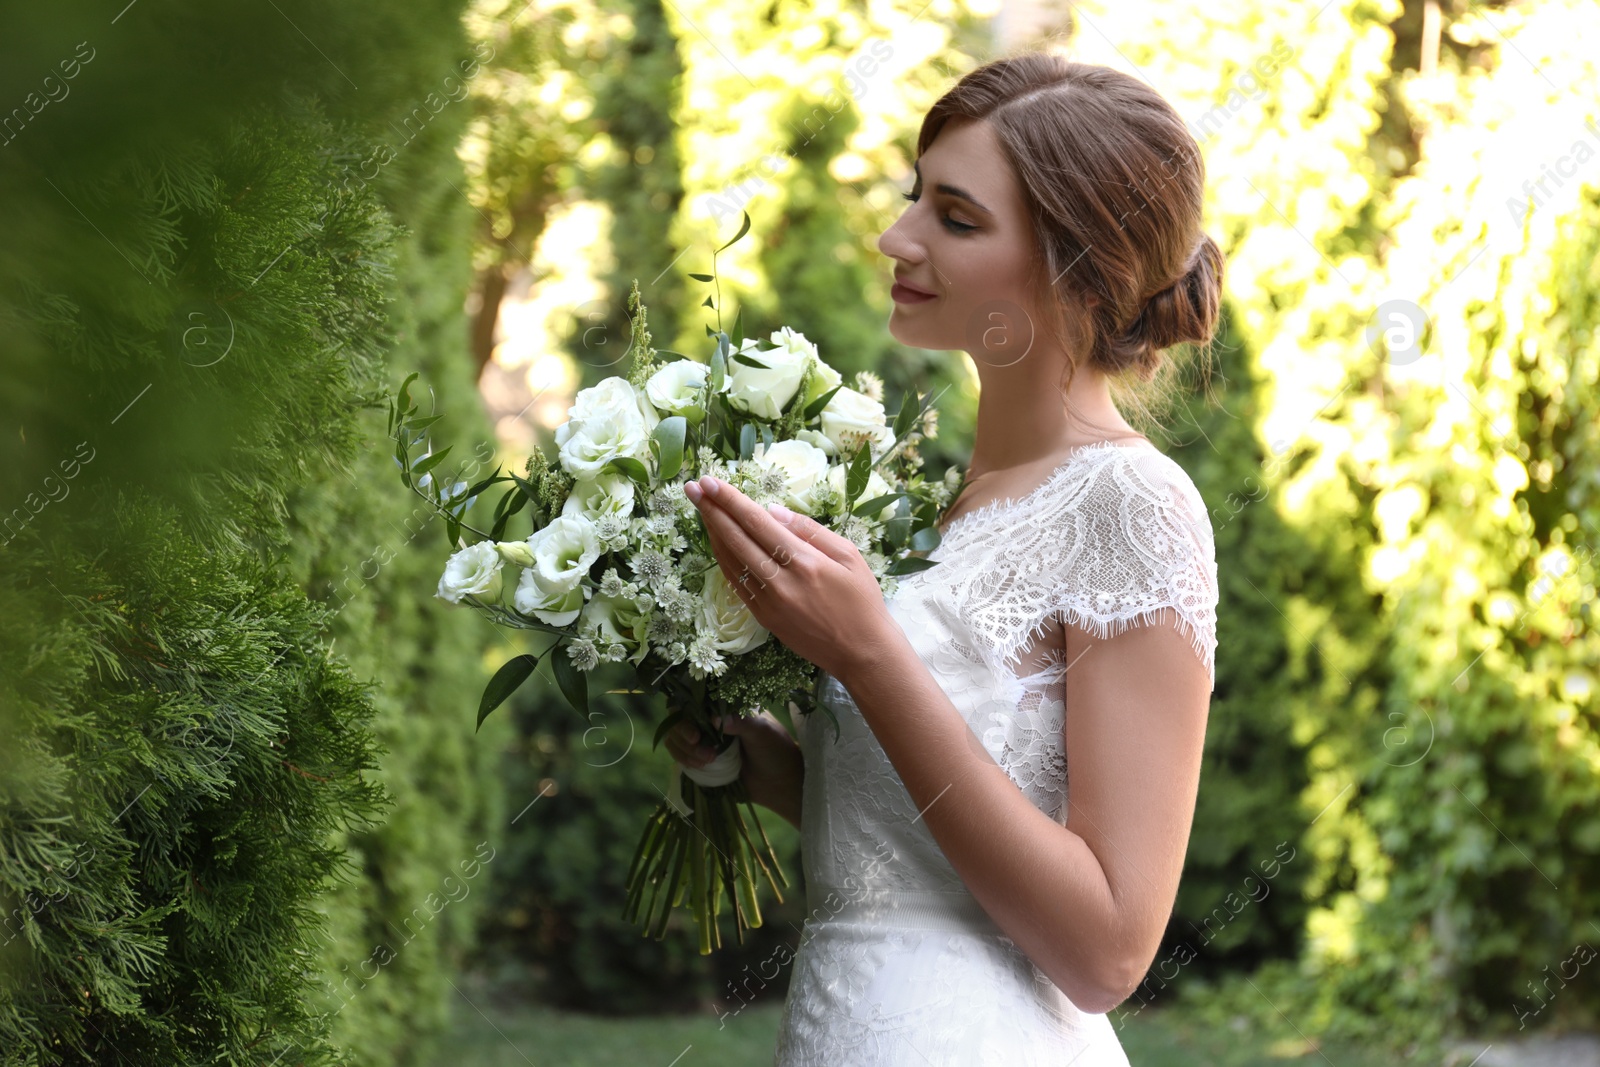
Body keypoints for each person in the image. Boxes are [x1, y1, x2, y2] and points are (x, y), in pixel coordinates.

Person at [668, 51, 1223, 1065]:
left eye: (956, 218)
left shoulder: (1132, 505)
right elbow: (927, 841)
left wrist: (870, 655)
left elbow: (1106, 948)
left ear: (1078, 270)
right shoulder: (939, 504)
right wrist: (764, 766)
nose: (897, 236)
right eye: (914, 197)